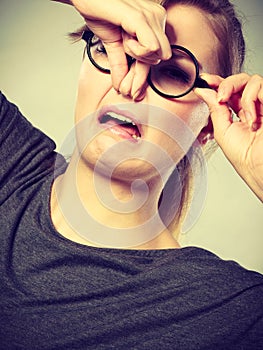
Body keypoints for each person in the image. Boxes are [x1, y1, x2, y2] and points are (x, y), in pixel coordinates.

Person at [0, 0, 262, 349]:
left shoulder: (232, 311)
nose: (129, 85)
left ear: (208, 125)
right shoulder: (9, 160)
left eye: (172, 73)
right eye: (117, 51)